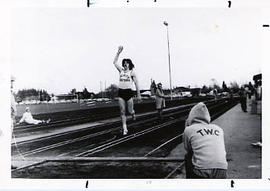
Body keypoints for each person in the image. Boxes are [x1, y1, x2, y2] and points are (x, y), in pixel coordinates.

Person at [183, 102, 228, 178]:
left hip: (202, 171)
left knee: (188, 156)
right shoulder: (218, 128)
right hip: (222, 169)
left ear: (191, 116)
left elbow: (188, 149)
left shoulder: (189, 129)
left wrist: (186, 126)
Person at [113, 46, 141, 135]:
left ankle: (133, 113)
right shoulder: (121, 70)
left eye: (127, 63)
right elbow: (114, 62)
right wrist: (118, 52)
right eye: (124, 63)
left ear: (129, 64)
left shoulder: (132, 72)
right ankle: (125, 128)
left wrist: (139, 94)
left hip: (129, 92)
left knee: (130, 111)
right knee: (122, 111)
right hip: (121, 92)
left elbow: (136, 84)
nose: (125, 64)